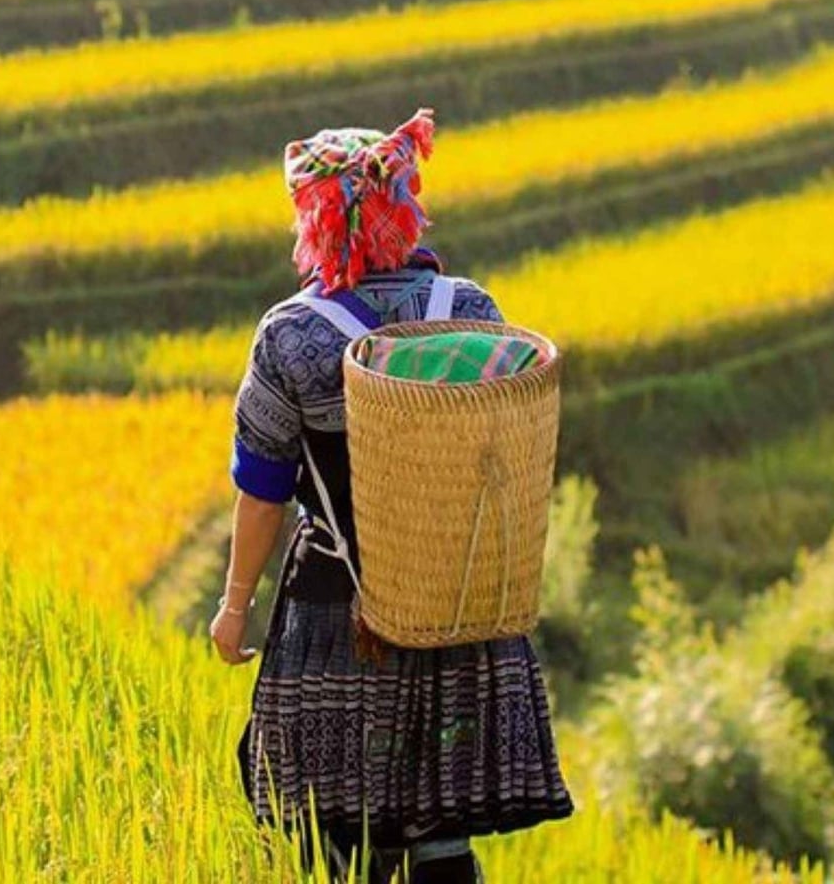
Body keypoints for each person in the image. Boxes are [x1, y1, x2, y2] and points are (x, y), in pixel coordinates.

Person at [210, 108, 573, 883]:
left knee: (324, 813)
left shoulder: (291, 336)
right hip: (457, 601)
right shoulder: (470, 311)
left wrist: (235, 604)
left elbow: (263, 487)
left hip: (339, 604)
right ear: (402, 212)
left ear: (316, 221)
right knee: (437, 821)